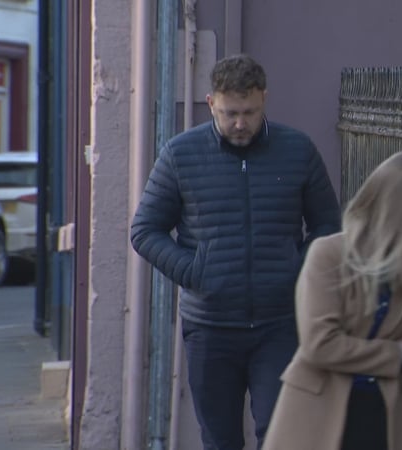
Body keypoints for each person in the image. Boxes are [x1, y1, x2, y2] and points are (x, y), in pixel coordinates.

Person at [130, 54, 341, 450]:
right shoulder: (181, 155)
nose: (240, 123)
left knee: (280, 437)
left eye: (250, 112)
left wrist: (297, 271)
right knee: (220, 440)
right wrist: (196, 272)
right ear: (212, 103)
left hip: (280, 325)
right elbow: (145, 230)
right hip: (210, 327)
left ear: (264, 99)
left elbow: (328, 225)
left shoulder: (297, 151)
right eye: (230, 113)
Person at [262, 151, 402, 450]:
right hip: (319, 413)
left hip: (388, 414)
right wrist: (395, 354)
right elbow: (320, 344)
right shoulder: (328, 254)